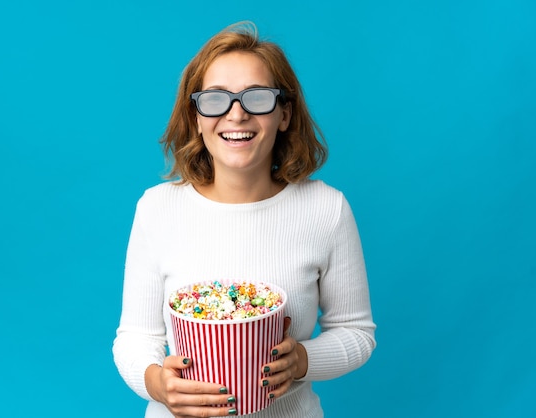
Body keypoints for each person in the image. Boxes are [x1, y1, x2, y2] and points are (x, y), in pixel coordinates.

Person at [113, 21, 376, 418]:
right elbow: (135, 338)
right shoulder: (156, 209)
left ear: (283, 114)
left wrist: (303, 360)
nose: (236, 115)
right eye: (215, 100)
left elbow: (357, 333)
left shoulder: (327, 210)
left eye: (257, 98)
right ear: (197, 117)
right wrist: (158, 384)